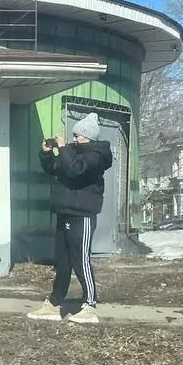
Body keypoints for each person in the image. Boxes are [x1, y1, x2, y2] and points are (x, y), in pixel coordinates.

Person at [28, 112, 113, 324]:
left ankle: (90, 305)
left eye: (78, 136)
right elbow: (55, 168)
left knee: (81, 259)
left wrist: (64, 148)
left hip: (82, 214)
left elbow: (75, 170)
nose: (74, 139)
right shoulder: (72, 152)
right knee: (62, 261)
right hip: (64, 211)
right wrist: (47, 154)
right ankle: (54, 304)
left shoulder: (96, 155)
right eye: (74, 135)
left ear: (89, 137)